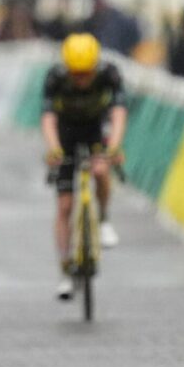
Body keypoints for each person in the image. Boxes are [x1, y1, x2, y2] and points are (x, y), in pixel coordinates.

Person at [41, 33, 127, 300]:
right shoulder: (55, 77)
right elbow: (48, 117)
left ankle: (103, 219)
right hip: (66, 132)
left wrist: (114, 147)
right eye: (75, 75)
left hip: (95, 130)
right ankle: (65, 270)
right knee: (65, 205)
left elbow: (119, 113)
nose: (80, 80)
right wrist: (53, 148)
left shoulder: (109, 73)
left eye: (85, 74)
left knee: (100, 170)